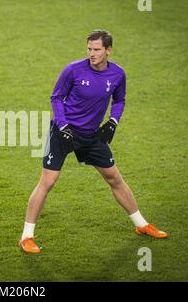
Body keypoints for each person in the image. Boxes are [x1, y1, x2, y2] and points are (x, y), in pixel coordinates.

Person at [19, 30, 168, 254]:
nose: (92, 53)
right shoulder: (73, 70)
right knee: (48, 182)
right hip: (63, 132)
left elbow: (119, 100)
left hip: (91, 135)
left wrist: (113, 122)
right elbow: (56, 97)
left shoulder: (117, 74)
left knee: (114, 177)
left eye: (97, 49)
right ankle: (26, 237)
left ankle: (141, 224)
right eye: (89, 49)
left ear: (108, 50)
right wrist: (62, 125)